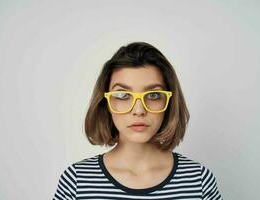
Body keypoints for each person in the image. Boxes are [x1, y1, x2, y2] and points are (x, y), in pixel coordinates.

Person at [53, 41, 223, 199]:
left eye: (154, 95)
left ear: (169, 102)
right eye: (123, 95)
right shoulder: (76, 182)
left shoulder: (199, 181)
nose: (139, 110)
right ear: (106, 103)